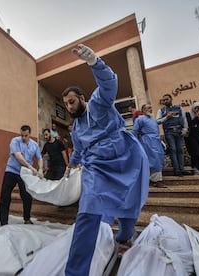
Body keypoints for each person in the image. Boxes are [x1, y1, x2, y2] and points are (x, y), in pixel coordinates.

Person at [62, 44, 149, 275]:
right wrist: (70, 168)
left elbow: (109, 83)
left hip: (125, 158)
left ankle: (123, 237)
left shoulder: (99, 104)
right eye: (65, 105)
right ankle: (75, 272)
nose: (69, 107)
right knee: (88, 211)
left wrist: (94, 61)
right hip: (96, 168)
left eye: (71, 102)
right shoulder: (75, 129)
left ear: (81, 98)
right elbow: (79, 151)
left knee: (128, 208)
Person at [0, 125, 44, 225]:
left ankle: (27, 219)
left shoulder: (34, 145)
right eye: (22, 135)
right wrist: (31, 167)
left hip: (25, 174)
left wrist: (40, 169)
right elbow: (18, 156)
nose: (23, 137)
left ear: (29, 134)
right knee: (5, 195)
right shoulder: (15, 141)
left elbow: (40, 158)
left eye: (26, 136)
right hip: (12, 170)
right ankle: (3, 222)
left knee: (27, 196)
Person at [156, 94, 191, 176]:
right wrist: (166, 118)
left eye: (167, 99)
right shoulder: (161, 111)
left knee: (180, 150)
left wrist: (185, 129)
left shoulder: (179, 108)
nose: (165, 101)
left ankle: (182, 170)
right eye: (164, 100)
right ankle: (177, 170)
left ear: (171, 99)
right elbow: (157, 121)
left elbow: (184, 119)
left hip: (179, 131)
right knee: (173, 150)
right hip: (169, 132)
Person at [132, 104, 166, 188]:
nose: (150, 109)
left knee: (159, 159)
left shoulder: (153, 120)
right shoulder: (140, 119)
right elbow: (134, 132)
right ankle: (157, 181)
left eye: (151, 107)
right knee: (154, 160)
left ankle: (153, 179)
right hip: (147, 142)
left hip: (156, 141)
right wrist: (136, 144)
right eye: (148, 108)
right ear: (143, 110)